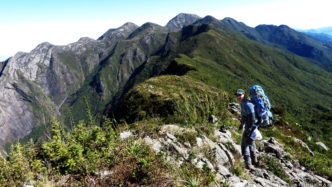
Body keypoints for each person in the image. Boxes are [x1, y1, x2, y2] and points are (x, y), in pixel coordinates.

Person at [236, 89, 258, 170]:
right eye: (237, 95)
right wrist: (241, 125)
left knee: (245, 145)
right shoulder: (242, 103)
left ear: (244, 94)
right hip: (250, 127)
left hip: (252, 127)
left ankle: (248, 164)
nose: (238, 96)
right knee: (251, 143)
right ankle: (255, 161)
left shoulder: (248, 104)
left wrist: (249, 130)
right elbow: (244, 116)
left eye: (240, 95)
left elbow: (252, 119)